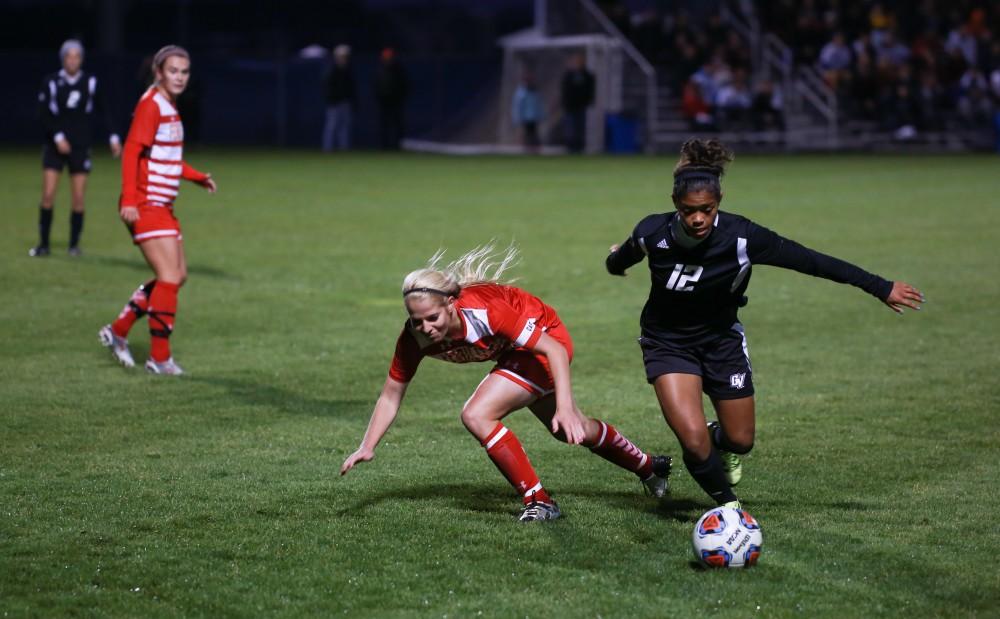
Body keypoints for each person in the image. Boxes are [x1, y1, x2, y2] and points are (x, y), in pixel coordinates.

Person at [605, 138, 923, 510]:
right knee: (691, 439)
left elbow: (811, 260)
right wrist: (615, 263)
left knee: (740, 440)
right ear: (676, 204)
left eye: (707, 210)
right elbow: (622, 256)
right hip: (667, 344)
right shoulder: (653, 232)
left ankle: (717, 439)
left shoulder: (742, 237)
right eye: (691, 210)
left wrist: (880, 286)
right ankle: (729, 508)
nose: (698, 219)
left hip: (721, 342)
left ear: (718, 202)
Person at [341, 243, 672, 522]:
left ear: (452, 304)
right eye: (417, 320)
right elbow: (391, 394)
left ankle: (539, 501)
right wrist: (367, 445)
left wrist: (565, 404)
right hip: (516, 356)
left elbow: (553, 349)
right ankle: (648, 466)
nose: (425, 327)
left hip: (547, 340)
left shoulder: (486, 312)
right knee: (568, 431)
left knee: (477, 414)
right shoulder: (414, 339)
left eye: (433, 318)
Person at [97, 45, 217, 375]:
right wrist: (129, 200)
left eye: (184, 71)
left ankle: (118, 331)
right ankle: (159, 358)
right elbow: (131, 152)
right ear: (159, 72)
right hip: (146, 204)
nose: (179, 77)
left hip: (162, 205)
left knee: (177, 277)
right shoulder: (151, 105)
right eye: (173, 70)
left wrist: (196, 177)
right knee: (168, 277)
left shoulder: (169, 106)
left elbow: (166, 159)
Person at [31, 39, 121, 257]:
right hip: (55, 146)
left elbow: (104, 110)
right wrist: (58, 136)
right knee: (48, 195)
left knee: (78, 197)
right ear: (63, 58)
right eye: (69, 56)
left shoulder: (90, 82)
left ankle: (74, 245)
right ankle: (44, 245)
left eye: (77, 56)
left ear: (81, 59)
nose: (73, 60)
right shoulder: (51, 82)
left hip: (80, 146)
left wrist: (113, 137)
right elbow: (43, 114)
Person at [322, 44, 355, 151]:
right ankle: (328, 149)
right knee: (331, 126)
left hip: (345, 102)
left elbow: (351, 88)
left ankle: (344, 149)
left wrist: (352, 100)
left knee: (344, 127)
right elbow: (327, 88)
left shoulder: (348, 71)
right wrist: (331, 99)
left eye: (345, 56)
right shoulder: (332, 70)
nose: (343, 58)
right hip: (334, 103)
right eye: (341, 56)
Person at [374, 47, 408, 150]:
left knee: (398, 125)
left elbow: (405, 85)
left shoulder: (398, 70)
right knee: (384, 125)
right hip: (383, 102)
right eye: (386, 57)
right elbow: (375, 86)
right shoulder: (379, 70)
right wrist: (379, 97)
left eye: (389, 57)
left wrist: (400, 97)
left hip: (396, 102)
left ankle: (398, 146)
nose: (388, 59)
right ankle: (384, 146)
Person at [560, 53, 595, 154]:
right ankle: (570, 146)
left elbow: (590, 89)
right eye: (576, 62)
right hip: (570, 106)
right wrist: (565, 102)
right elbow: (564, 90)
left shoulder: (587, 75)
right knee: (570, 127)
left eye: (580, 62)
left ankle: (579, 146)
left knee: (580, 126)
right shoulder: (568, 75)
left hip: (581, 106)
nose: (578, 64)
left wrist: (589, 101)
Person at [511, 72, 542, 153]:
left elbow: (538, 105)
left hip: (534, 117)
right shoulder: (521, 93)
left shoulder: (535, 91)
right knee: (527, 133)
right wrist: (517, 117)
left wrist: (541, 115)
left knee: (534, 133)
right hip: (526, 117)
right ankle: (527, 148)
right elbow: (518, 106)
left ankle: (534, 149)